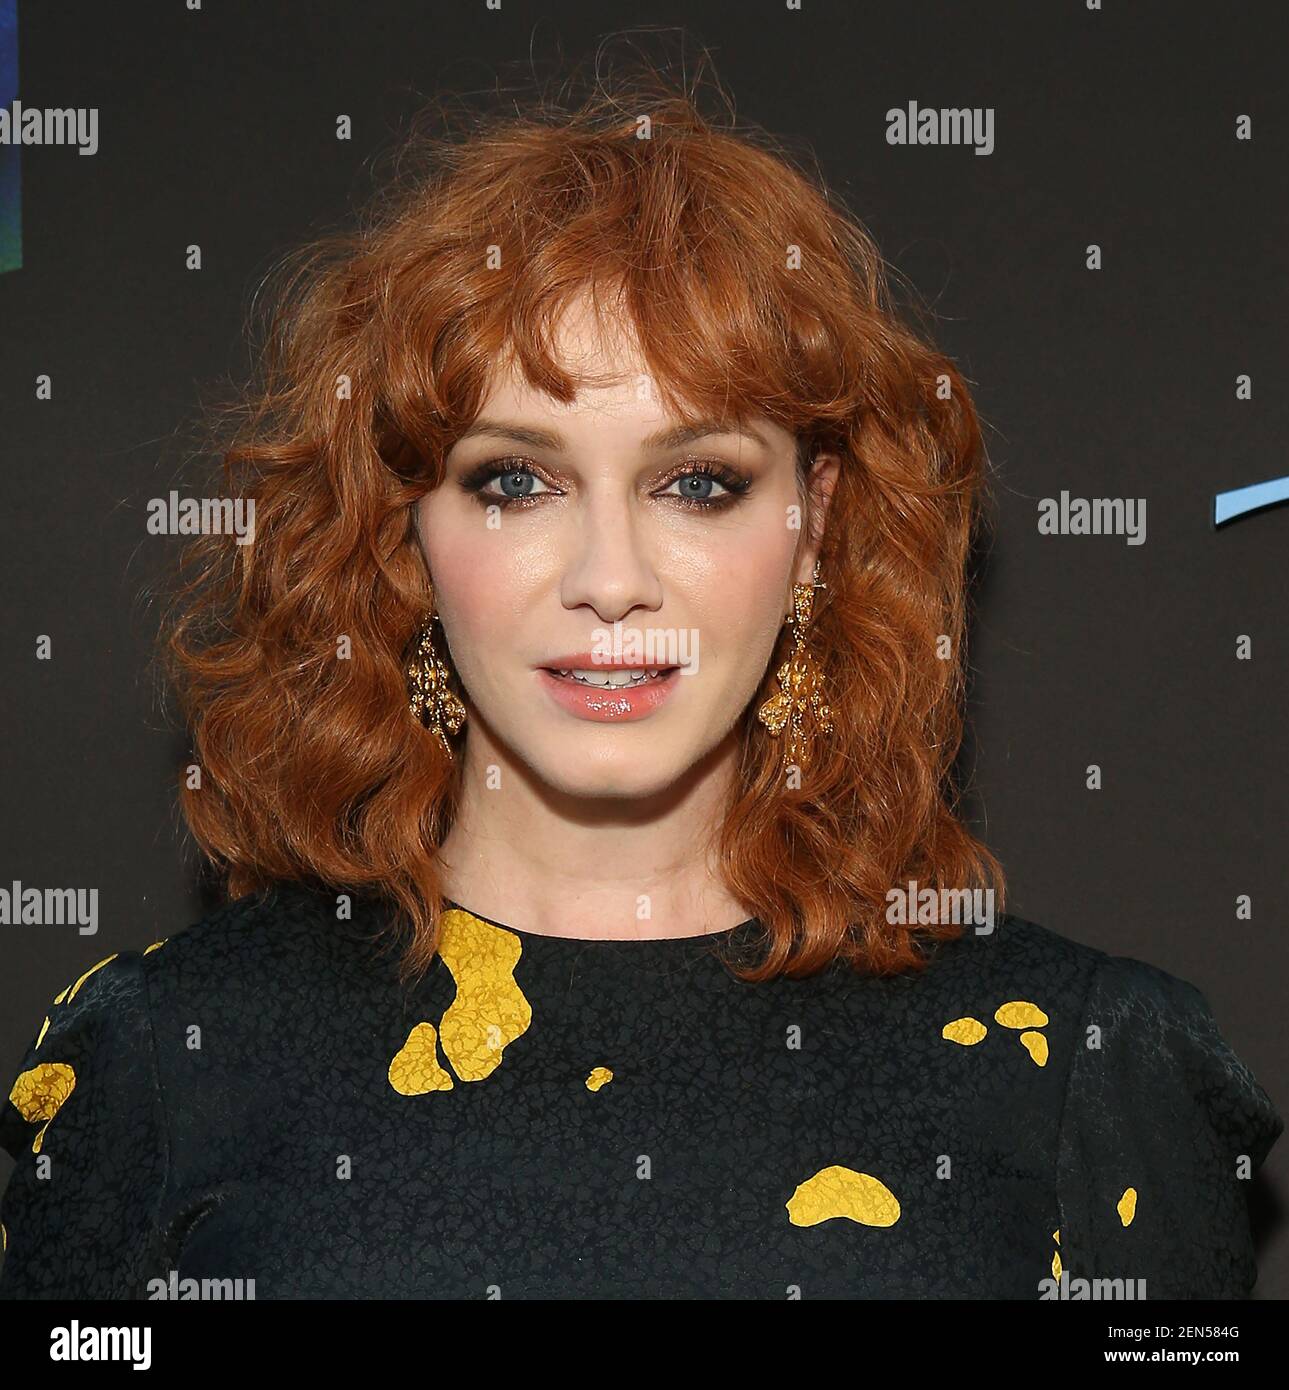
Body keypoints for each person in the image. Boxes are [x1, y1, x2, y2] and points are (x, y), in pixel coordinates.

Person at [0, 63, 1280, 1300]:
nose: (609, 579)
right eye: (515, 481)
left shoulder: (1081, 1069)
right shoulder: (164, 1057)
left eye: (697, 482)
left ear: (813, 526)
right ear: (404, 531)